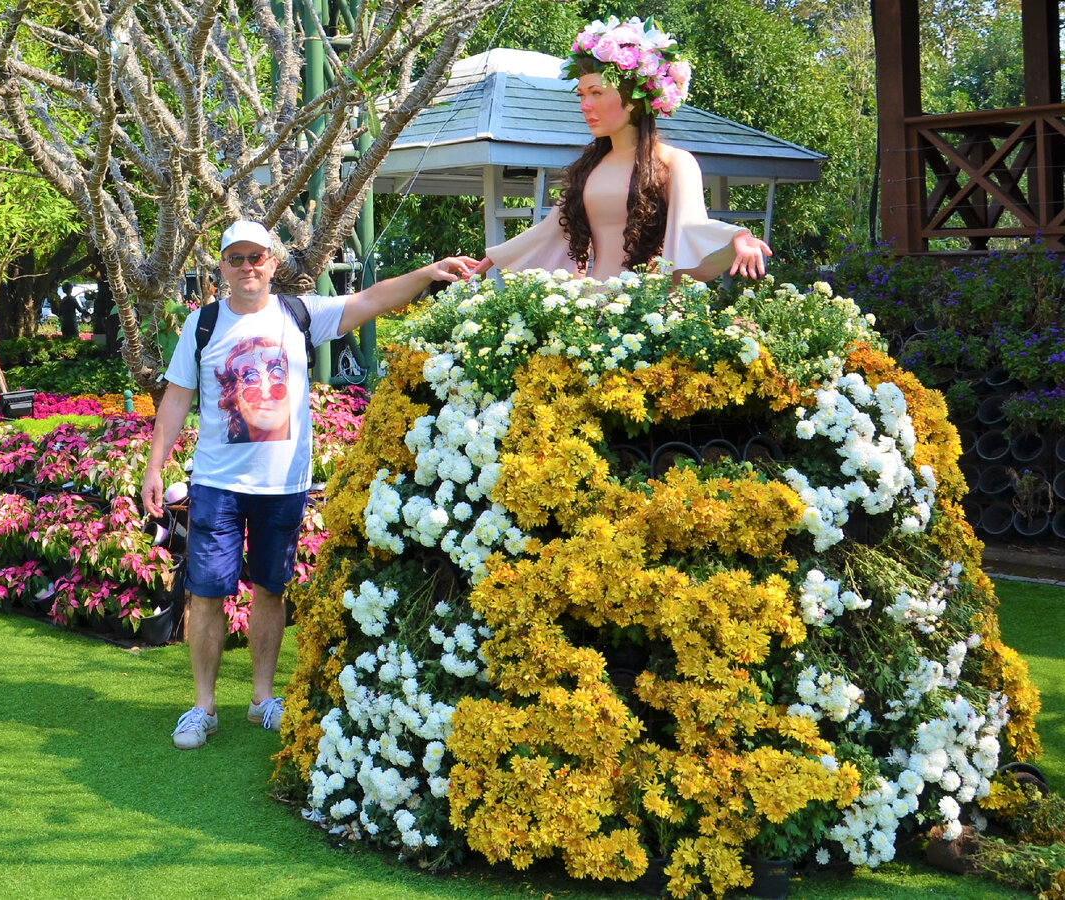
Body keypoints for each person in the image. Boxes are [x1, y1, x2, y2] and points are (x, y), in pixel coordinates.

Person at [142, 219, 478, 750]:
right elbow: (177, 400)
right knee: (205, 594)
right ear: (222, 268)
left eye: (257, 257)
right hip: (217, 485)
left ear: (273, 263)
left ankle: (260, 700)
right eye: (237, 259)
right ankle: (202, 707)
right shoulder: (202, 325)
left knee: (271, 589)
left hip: (283, 486)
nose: (248, 267)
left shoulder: (299, 314)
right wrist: (154, 467)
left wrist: (429, 272)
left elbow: (370, 300)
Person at [471, 16, 771, 284]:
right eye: (582, 95)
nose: (585, 106)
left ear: (633, 100)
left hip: (653, 308)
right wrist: (496, 257)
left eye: (597, 93)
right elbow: (550, 230)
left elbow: (692, 225)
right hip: (595, 304)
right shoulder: (589, 168)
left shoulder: (674, 162)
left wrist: (738, 237)